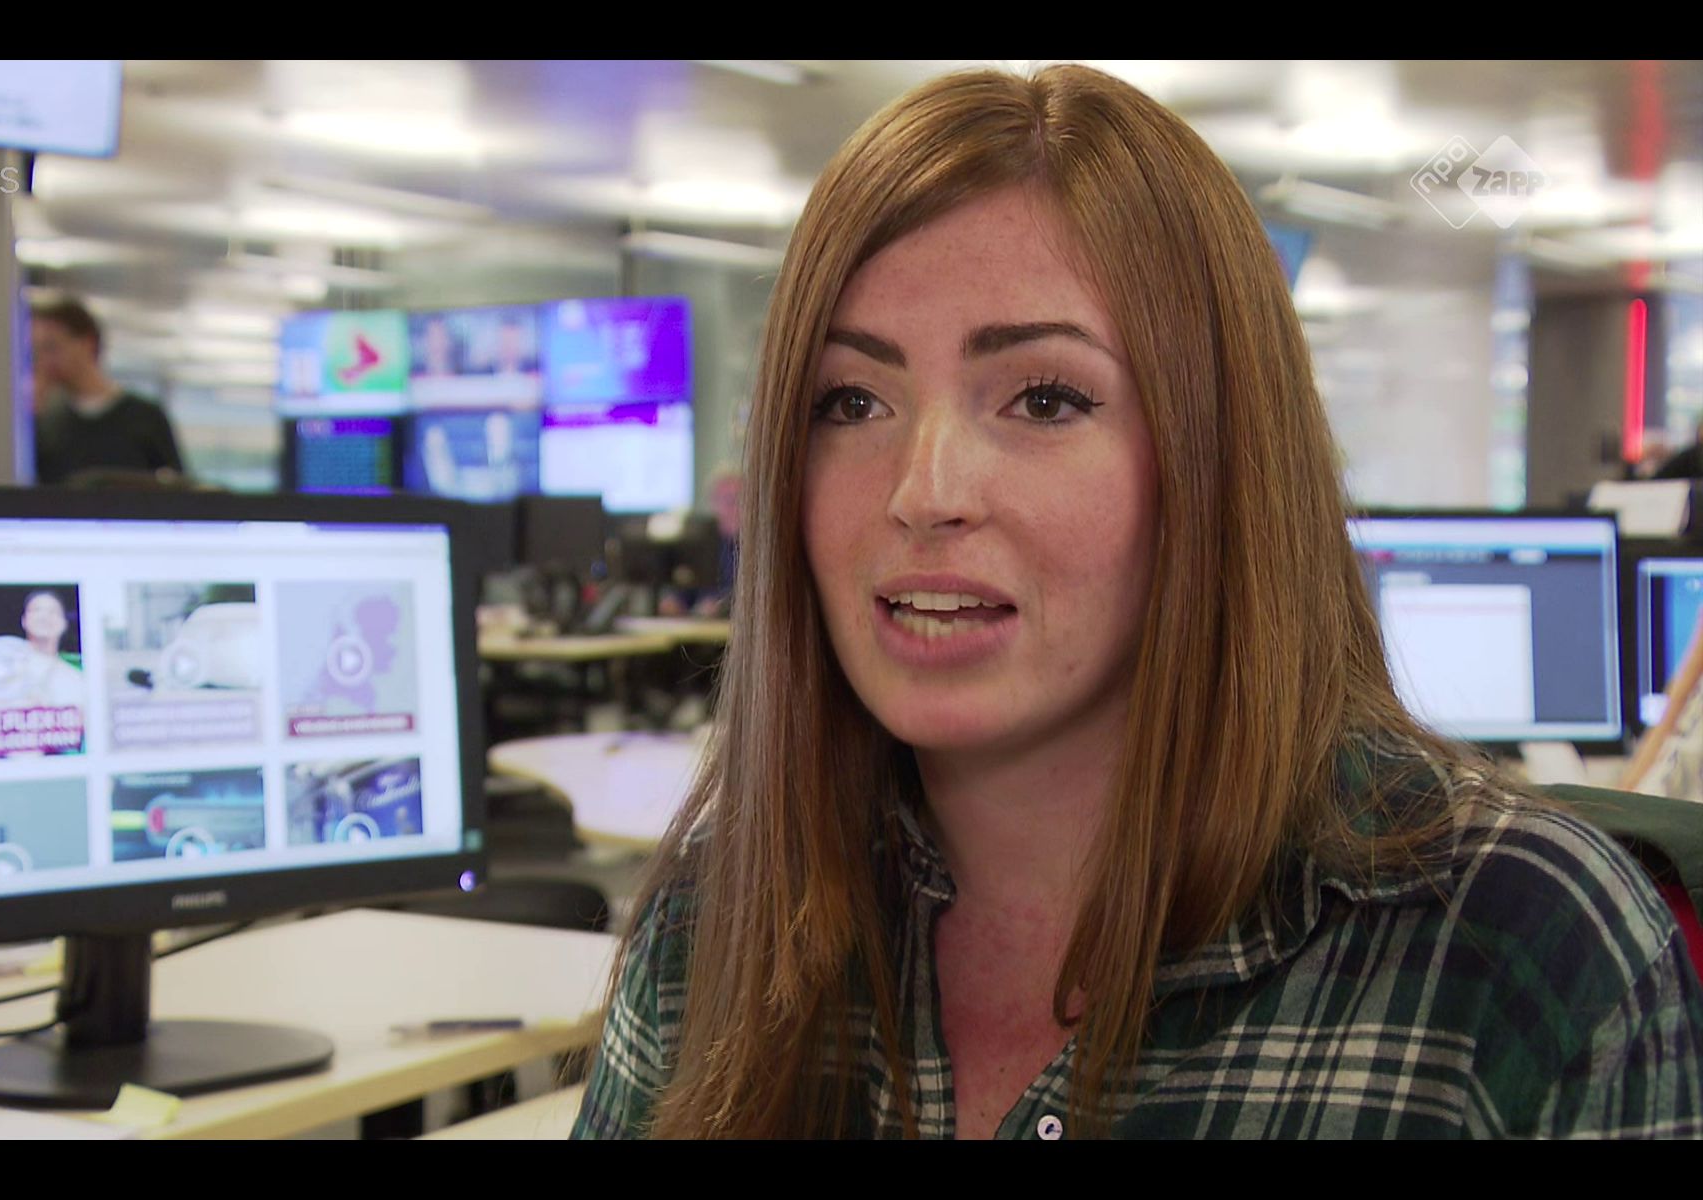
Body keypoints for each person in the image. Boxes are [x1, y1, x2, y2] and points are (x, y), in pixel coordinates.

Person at [572, 65, 1703, 1140]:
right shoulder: (715, 930)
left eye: (1044, 400)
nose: (923, 493)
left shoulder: (1519, 951)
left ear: (1218, 462)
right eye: (851, 402)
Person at [31, 297, 186, 486]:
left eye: (51, 347)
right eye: (36, 351)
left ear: (87, 343)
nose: (44, 361)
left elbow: (177, 488)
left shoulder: (145, 418)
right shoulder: (45, 422)